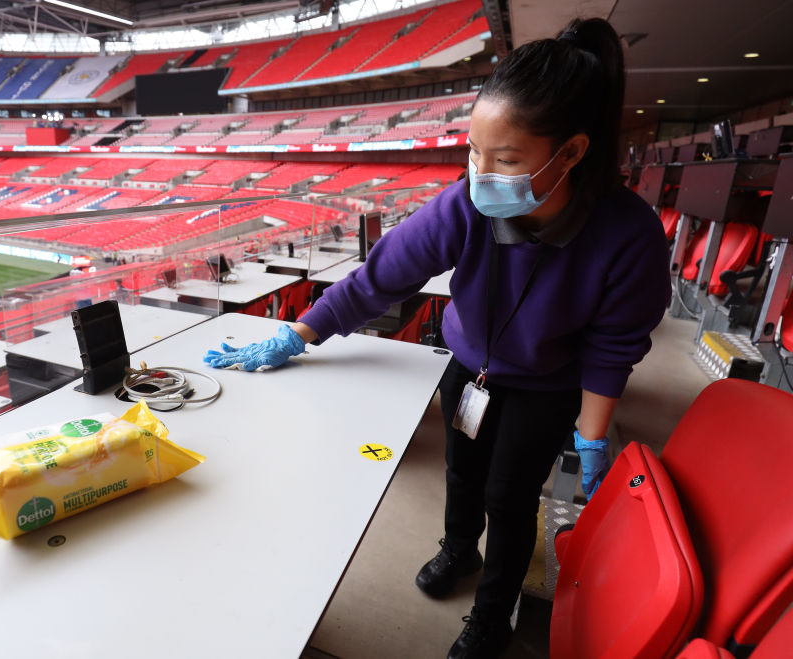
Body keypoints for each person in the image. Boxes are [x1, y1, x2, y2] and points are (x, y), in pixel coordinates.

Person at [204, 17, 670, 659]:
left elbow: (613, 346)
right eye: (475, 151)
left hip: (546, 386)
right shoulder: (465, 205)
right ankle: (457, 548)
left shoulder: (630, 236)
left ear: (572, 152)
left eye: (505, 160)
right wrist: (297, 335)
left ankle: (491, 612)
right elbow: (380, 279)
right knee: (462, 472)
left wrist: (592, 437)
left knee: (510, 500)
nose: (481, 173)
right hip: (469, 370)